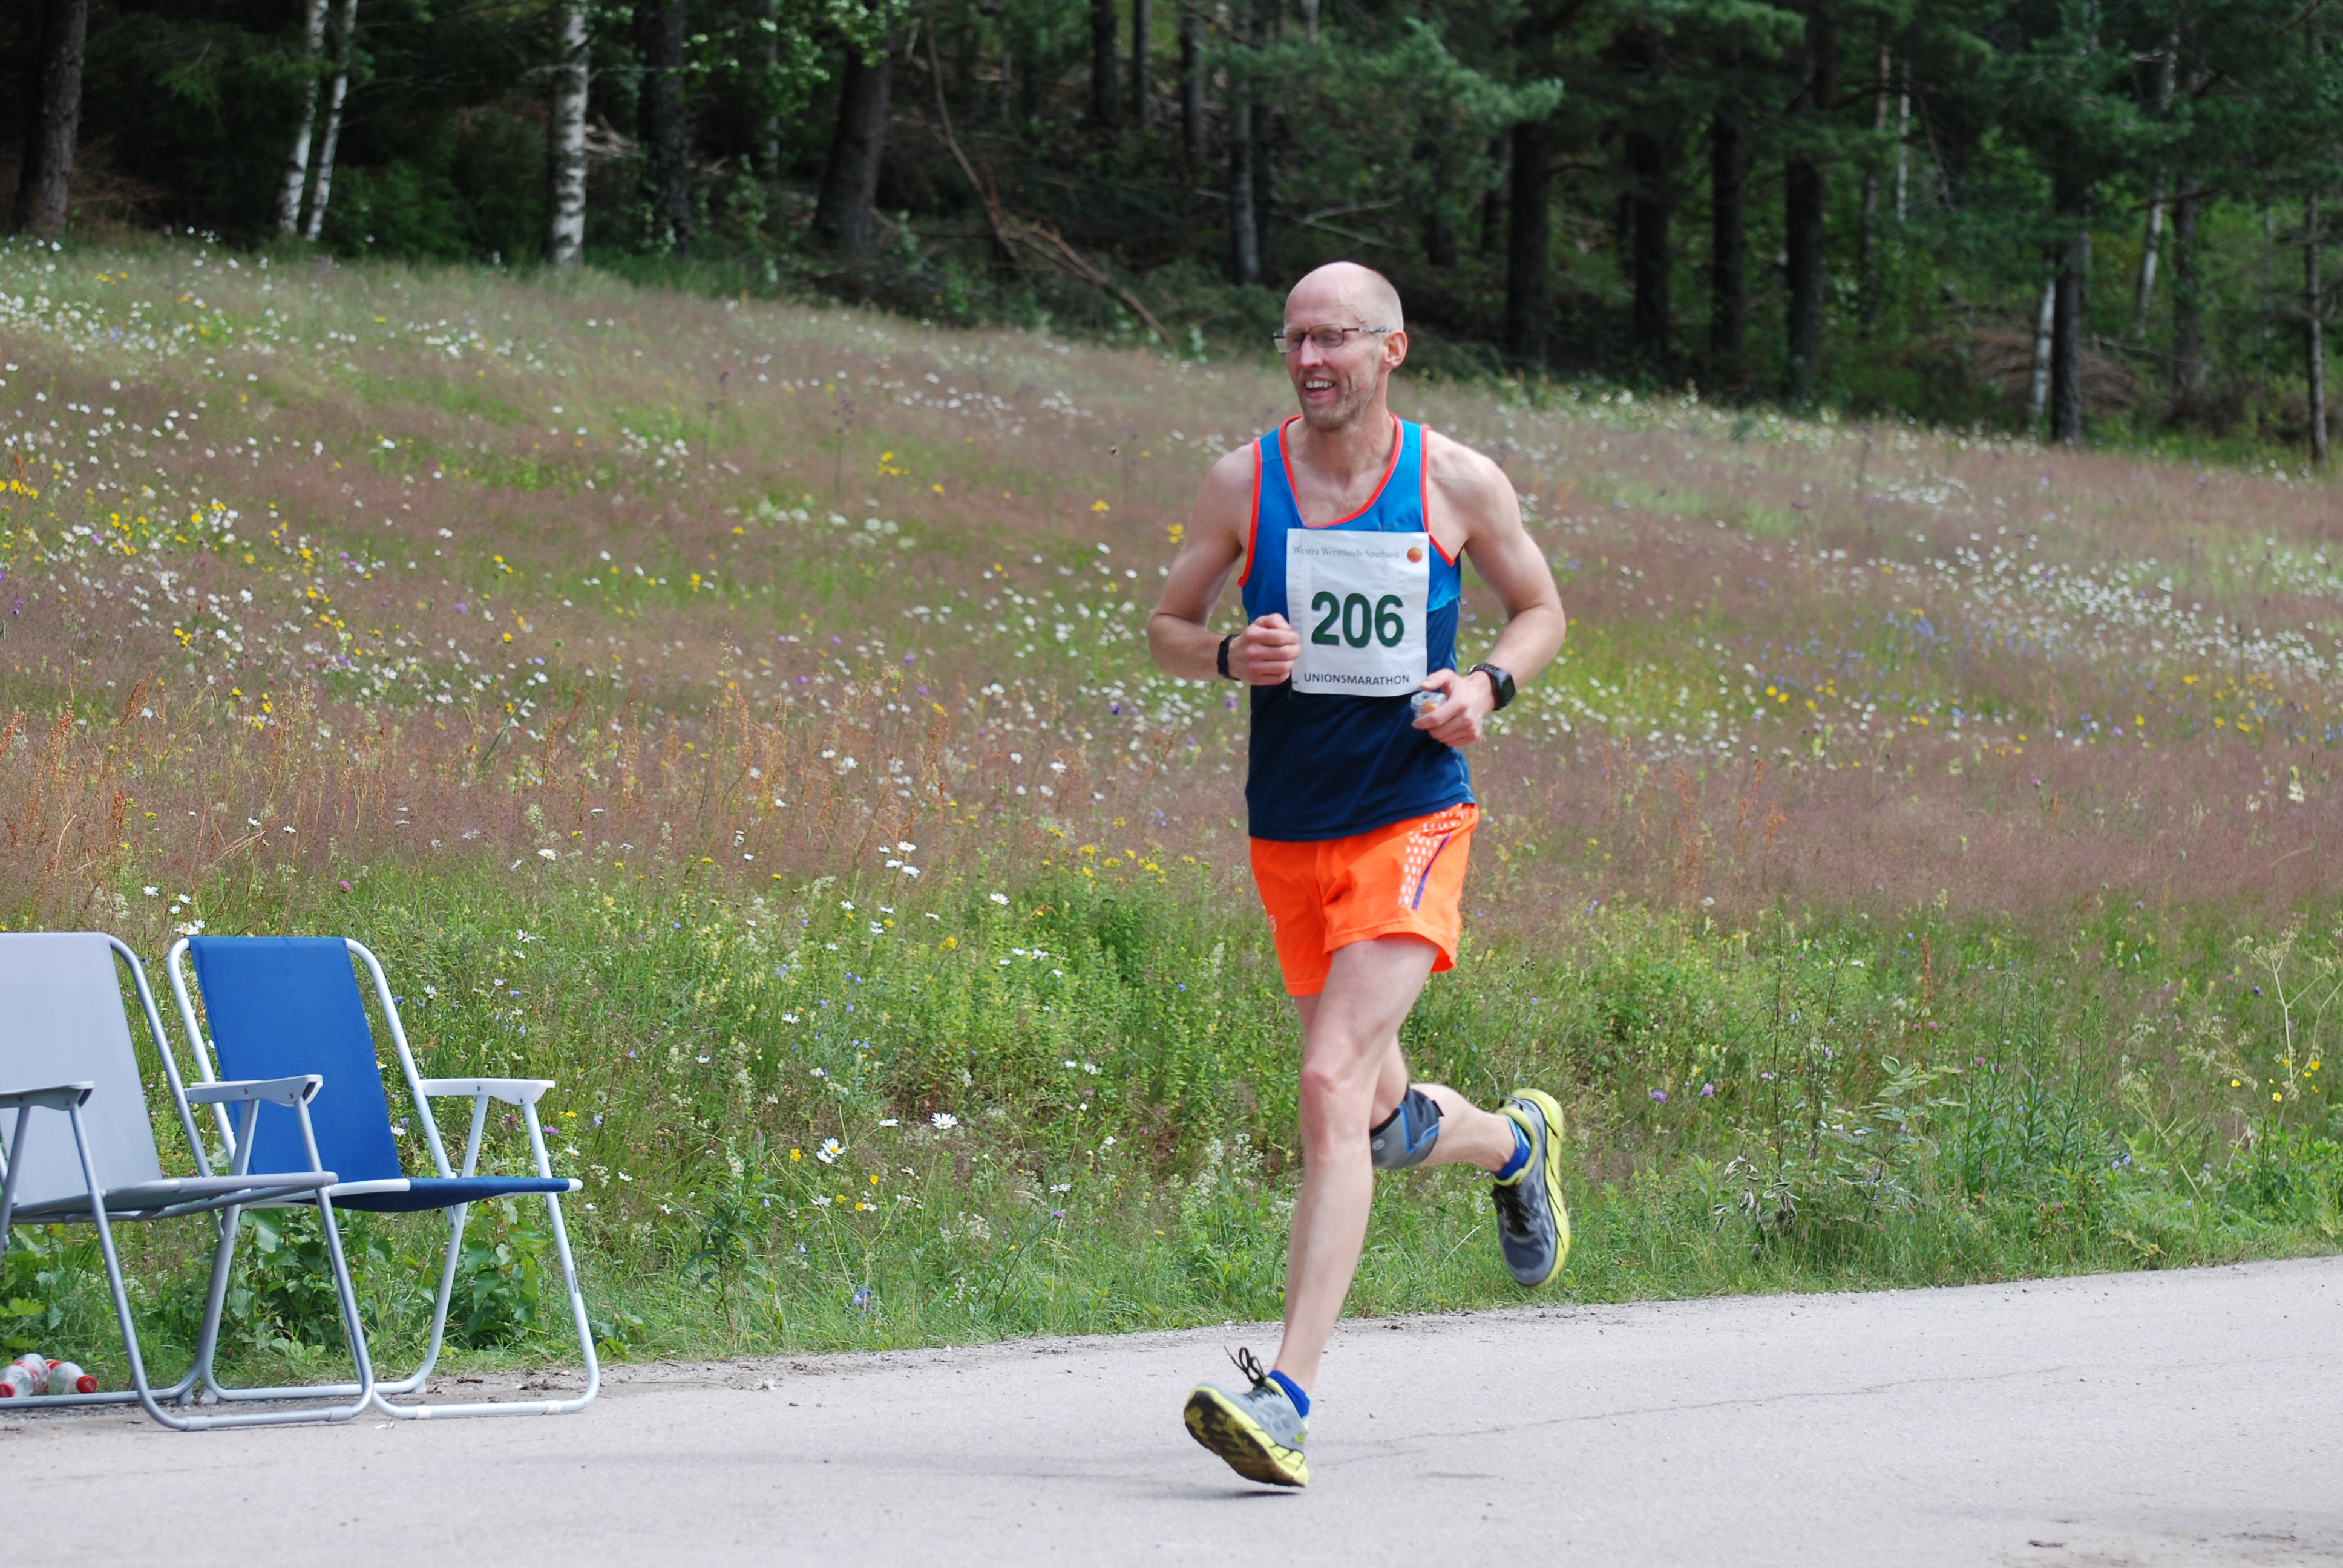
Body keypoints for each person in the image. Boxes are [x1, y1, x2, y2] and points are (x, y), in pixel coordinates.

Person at [1145, 261, 1570, 1489]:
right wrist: (1228, 654)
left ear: (1393, 350)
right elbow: (1167, 627)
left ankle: (1284, 1399)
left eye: (1335, 339)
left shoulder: (1456, 480)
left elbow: (1540, 610)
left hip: (1413, 817)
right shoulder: (1244, 481)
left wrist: (1486, 686)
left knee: (1328, 1084)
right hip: (1289, 832)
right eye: (1294, 339)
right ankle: (1511, 1146)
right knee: (1377, 1120)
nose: (1310, 360)